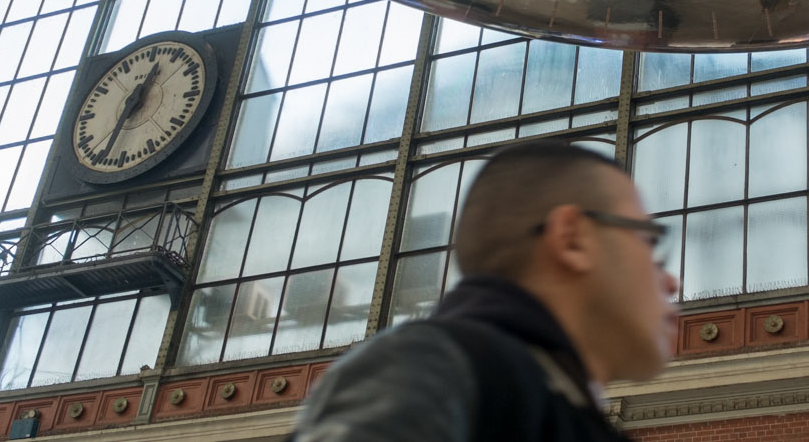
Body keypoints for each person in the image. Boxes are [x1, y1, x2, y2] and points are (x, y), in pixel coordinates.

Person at [291, 141, 681, 441]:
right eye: (648, 240)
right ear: (573, 240)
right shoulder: (440, 364)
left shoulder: (553, 404)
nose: (671, 281)